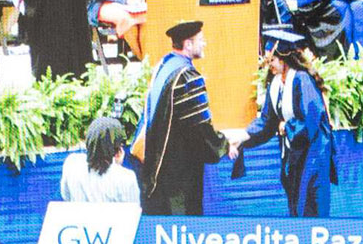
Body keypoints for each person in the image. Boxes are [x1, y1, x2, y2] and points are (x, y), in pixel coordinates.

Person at [229, 29, 337, 216]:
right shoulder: (276, 84)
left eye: (272, 60)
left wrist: (286, 127)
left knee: (310, 205)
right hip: (294, 154)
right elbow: (267, 121)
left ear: (284, 59)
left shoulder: (302, 80)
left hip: (312, 154)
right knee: (295, 202)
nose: (268, 65)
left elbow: (311, 123)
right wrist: (244, 136)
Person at [136, 21, 220, 215]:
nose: (204, 43)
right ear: (188, 44)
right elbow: (200, 127)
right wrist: (222, 145)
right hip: (180, 171)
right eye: (201, 40)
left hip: (157, 165)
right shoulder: (186, 75)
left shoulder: (163, 65)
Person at [57, 116, 142, 203]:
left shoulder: (72, 163)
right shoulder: (126, 178)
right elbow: (132, 212)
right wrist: (117, 165)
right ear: (118, 149)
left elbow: (66, 196)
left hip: (79, 216)